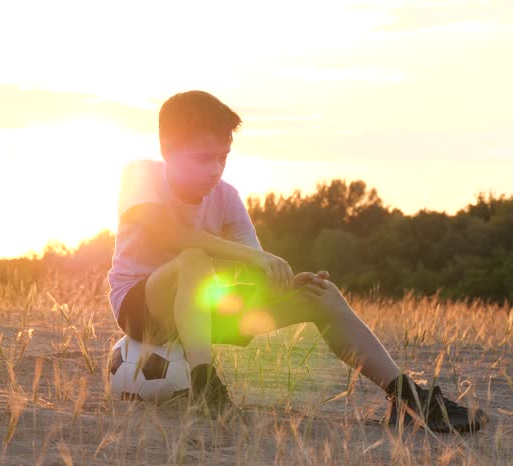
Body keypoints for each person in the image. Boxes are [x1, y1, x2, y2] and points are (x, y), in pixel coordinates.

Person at [106, 90, 488, 432]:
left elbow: (255, 274)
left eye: (223, 158)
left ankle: (408, 399)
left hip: (202, 313)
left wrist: (285, 283)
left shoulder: (226, 197)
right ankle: (206, 388)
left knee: (320, 294)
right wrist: (254, 256)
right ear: (167, 150)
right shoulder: (139, 176)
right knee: (193, 259)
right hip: (143, 309)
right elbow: (169, 235)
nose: (215, 170)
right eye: (203, 158)